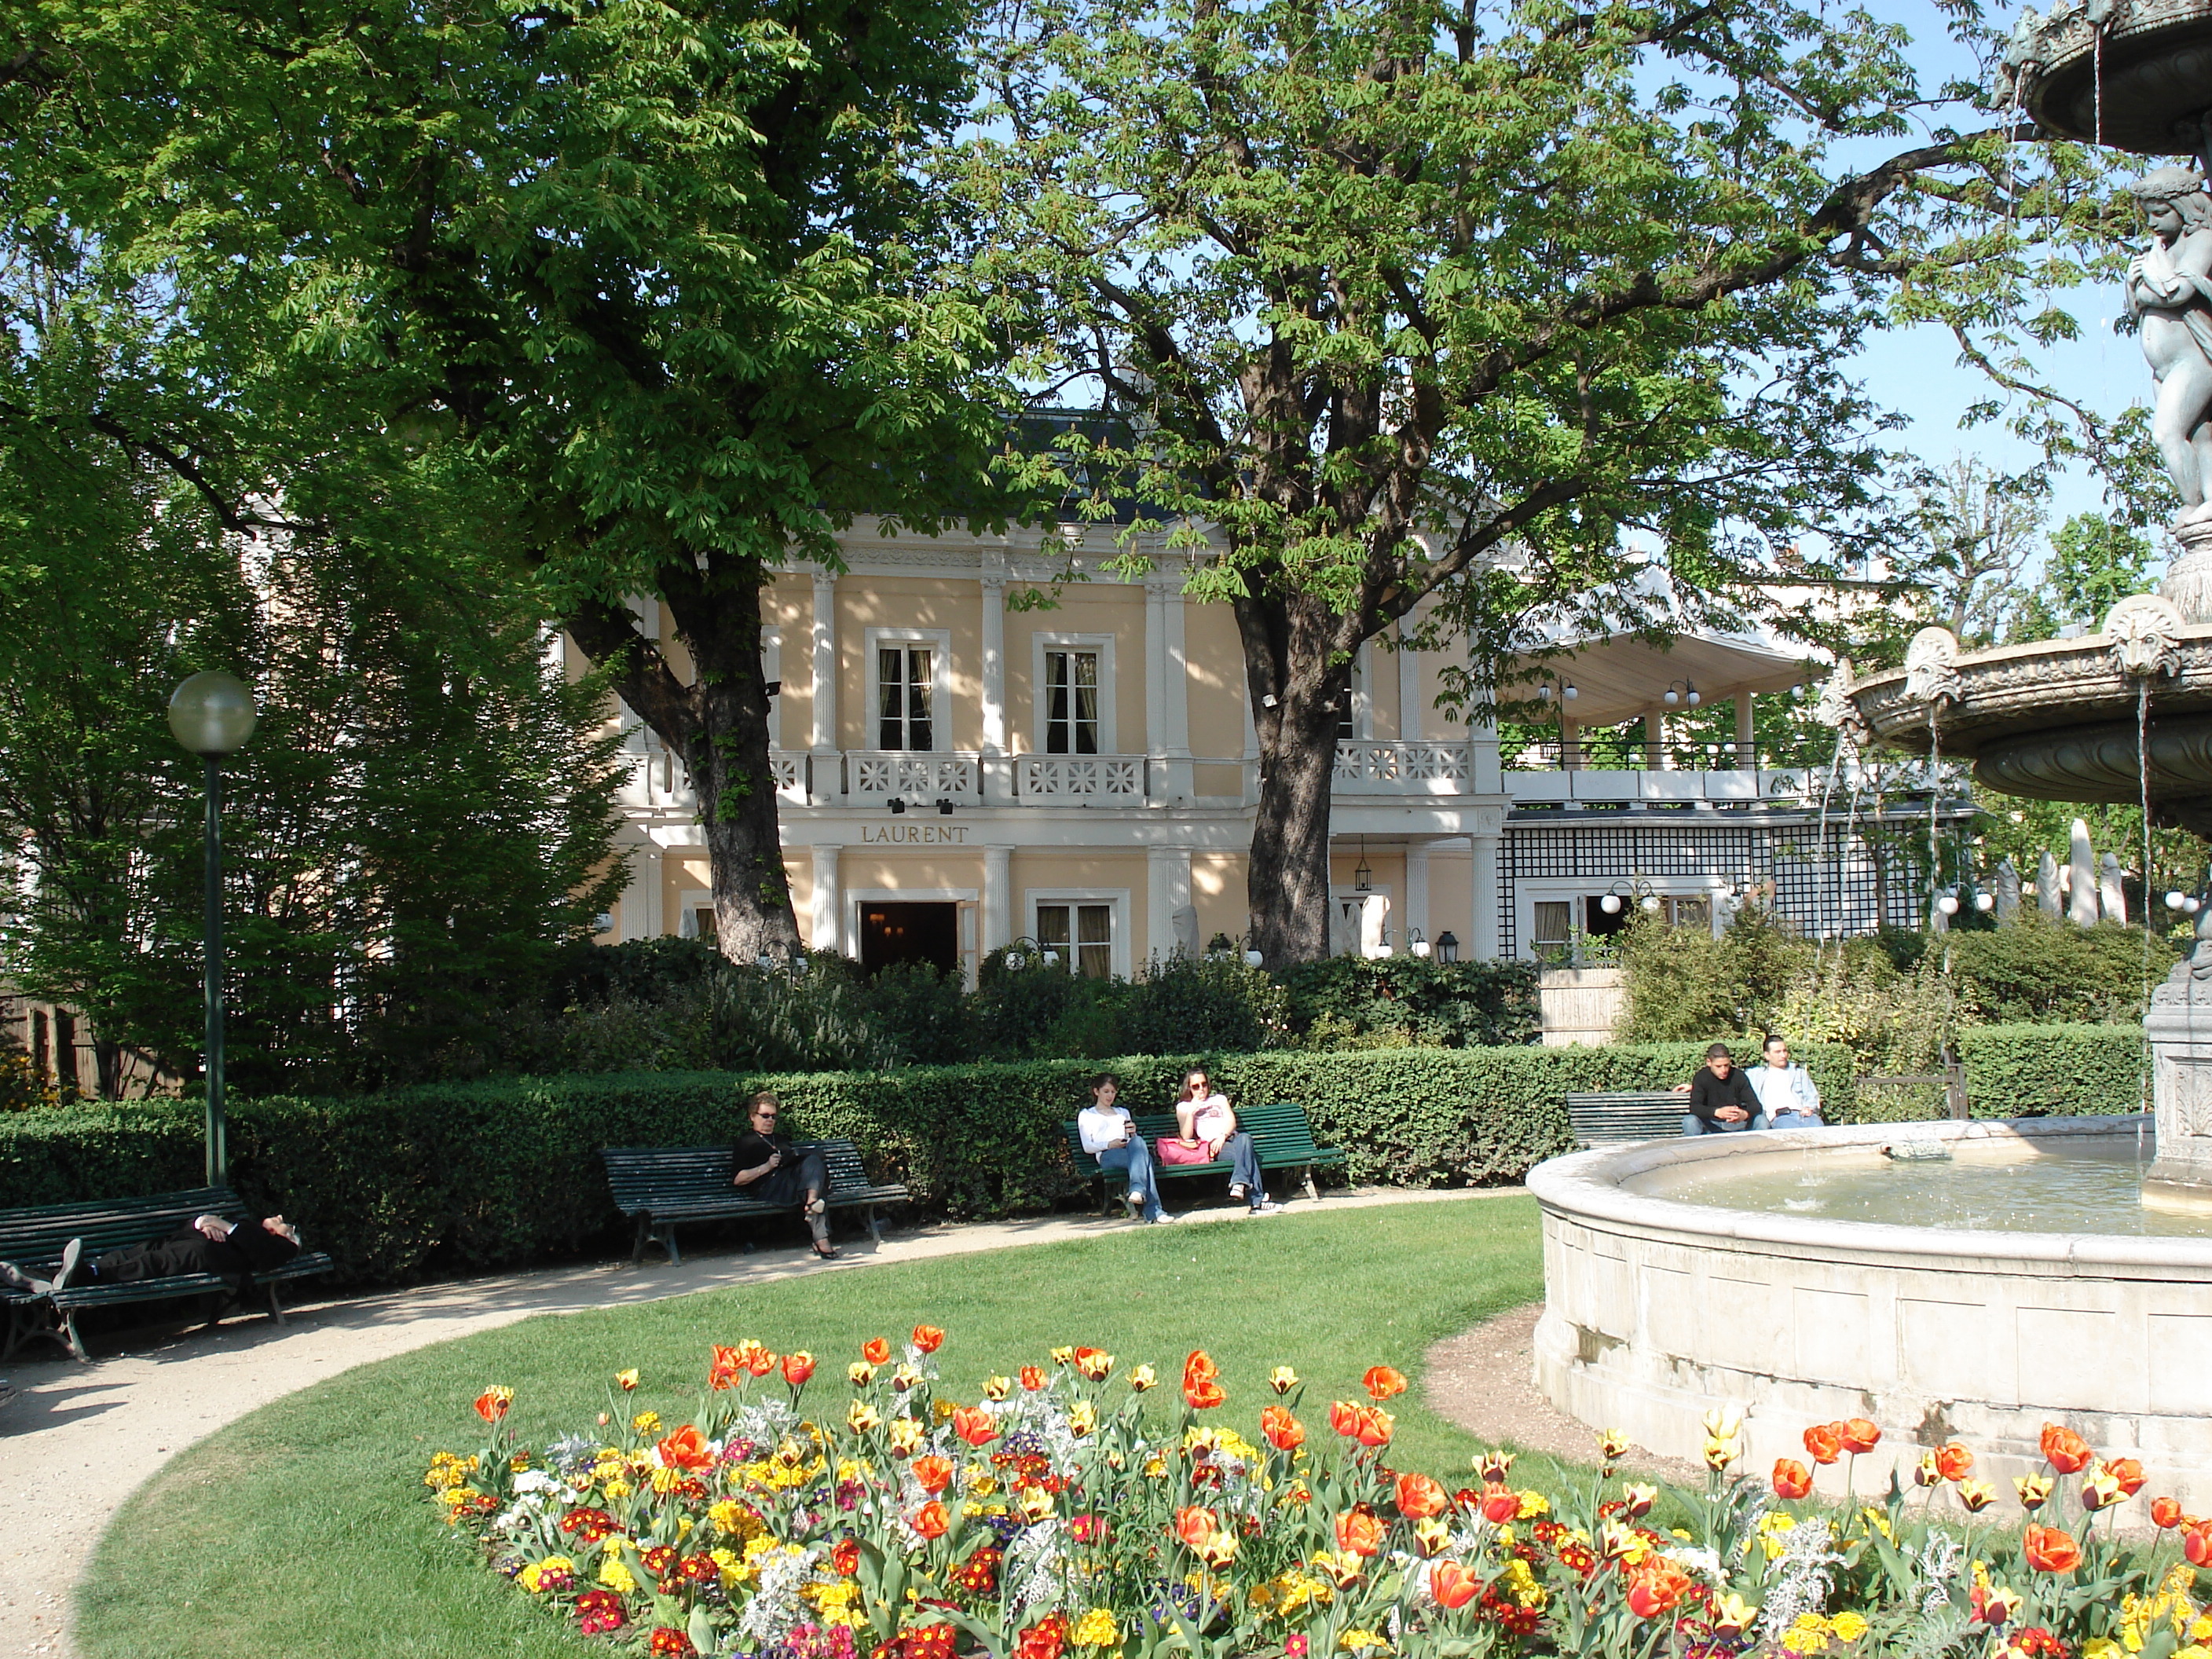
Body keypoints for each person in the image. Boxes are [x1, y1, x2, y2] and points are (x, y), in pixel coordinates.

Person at [2123, 168, 2212, 522]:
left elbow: (2178, 292)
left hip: (2194, 360)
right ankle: (2205, 500)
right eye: (2148, 214)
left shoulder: (2202, 241)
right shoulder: (2162, 249)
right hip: (2164, 368)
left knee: (2166, 433)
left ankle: (2193, 502)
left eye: (2161, 213)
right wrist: (2133, 288)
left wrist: (2143, 286)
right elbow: (2137, 308)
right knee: (2201, 434)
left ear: (2185, 207)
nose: (2152, 223)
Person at [0, 1214, 303, 1295]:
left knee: (150, 1263)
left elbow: (264, 1259)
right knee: (129, 1254)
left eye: (285, 1222)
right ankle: (47, 1277)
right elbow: (196, 1222)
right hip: (187, 1239)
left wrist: (222, 1225)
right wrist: (203, 1222)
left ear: (287, 1236)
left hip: (207, 1255)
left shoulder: (282, 1247)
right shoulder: (248, 1221)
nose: (278, 1216)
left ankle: (71, 1276)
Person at [732, 1090, 837, 1259]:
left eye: (774, 1117)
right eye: (765, 1116)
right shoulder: (746, 1142)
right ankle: (821, 1237)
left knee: (813, 1159)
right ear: (752, 1116)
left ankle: (811, 1201)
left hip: (792, 1182)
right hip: (769, 1187)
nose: (770, 1121)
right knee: (817, 1189)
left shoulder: (781, 1139)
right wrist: (766, 1167)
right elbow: (738, 1179)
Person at [1162, 1066, 1280, 1214]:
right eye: (1196, 1086)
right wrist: (1192, 1112)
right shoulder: (1184, 1107)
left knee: (1245, 1138)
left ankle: (1239, 1182)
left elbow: (1231, 1121)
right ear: (1189, 1088)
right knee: (1247, 1157)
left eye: (1204, 1084)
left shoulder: (1219, 1099)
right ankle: (1257, 1202)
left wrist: (1223, 1136)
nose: (1201, 1089)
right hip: (1214, 1147)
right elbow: (1186, 1136)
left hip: (1232, 1139)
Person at [1077, 1072, 1175, 1224]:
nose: (1110, 1096)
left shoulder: (1123, 1112)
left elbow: (1133, 1141)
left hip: (1128, 1150)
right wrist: (1109, 1144)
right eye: (1106, 1092)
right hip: (1107, 1154)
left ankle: (1138, 1191)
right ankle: (1154, 1210)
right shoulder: (1087, 1115)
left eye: (1113, 1092)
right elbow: (1087, 1146)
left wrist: (1132, 1132)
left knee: (1138, 1142)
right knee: (1146, 1160)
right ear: (1096, 1092)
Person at [1670, 1043, 1769, 1135]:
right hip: (1711, 1125)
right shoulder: (1701, 1077)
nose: (1724, 1070)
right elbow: (1695, 1107)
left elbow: (1755, 1105)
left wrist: (1745, 1114)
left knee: (1761, 1120)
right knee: (1690, 1121)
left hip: (1737, 1124)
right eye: (1718, 1066)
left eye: (1726, 1065)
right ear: (1709, 1062)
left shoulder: (1738, 1076)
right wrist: (1716, 1112)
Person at [1746, 1033, 1823, 1129]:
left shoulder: (1798, 1073)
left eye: (1785, 1051)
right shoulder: (1755, 1075)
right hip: (1780, 1116)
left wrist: (1810, 1108)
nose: (1783, 1055)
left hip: (1804, 1115)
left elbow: (1812, 1096)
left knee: (1818, 1128)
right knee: (1793, 1132)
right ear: (1767, 1055)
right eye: (1778, 1052)